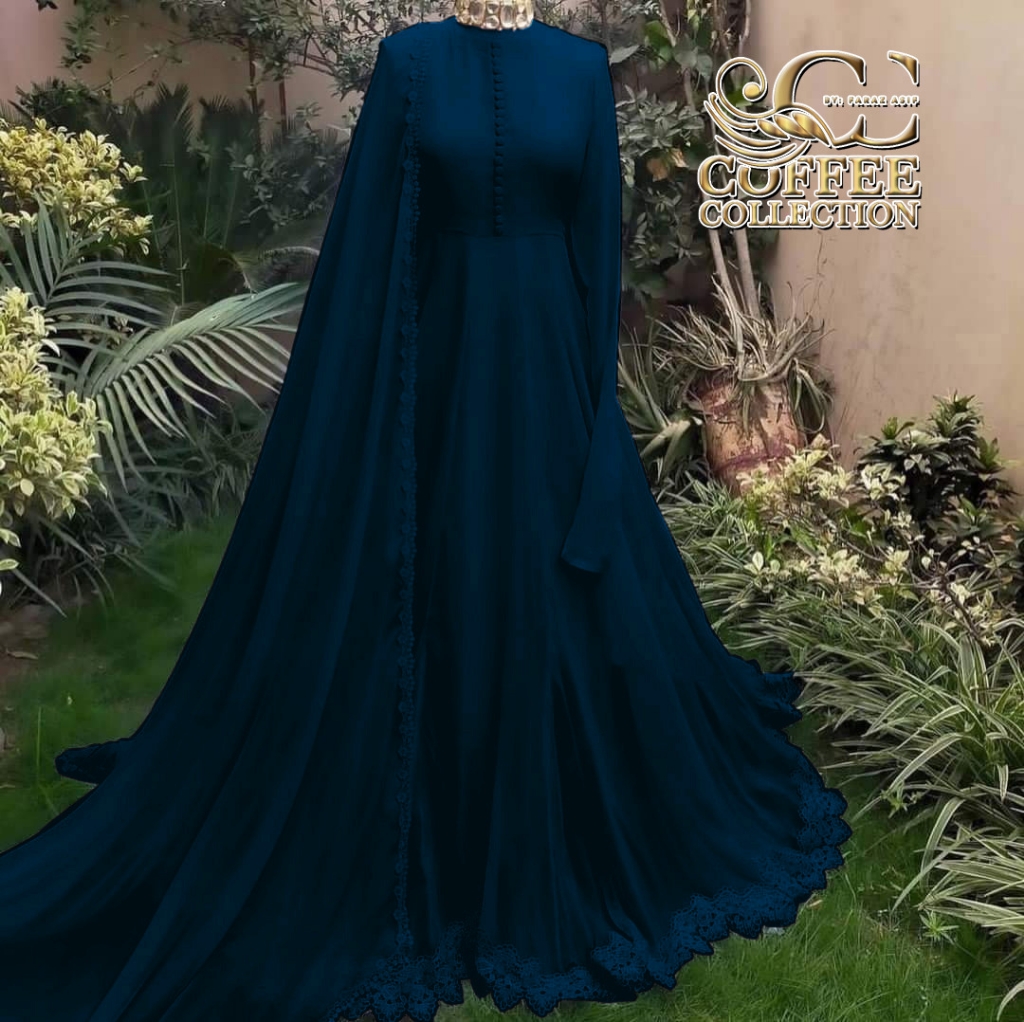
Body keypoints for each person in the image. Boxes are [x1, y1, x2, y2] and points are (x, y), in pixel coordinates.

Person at [0, 3, 852, 1020]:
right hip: (433, 374)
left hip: (542, 372)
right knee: (428, 575)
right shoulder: (409, 63)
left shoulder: (581, 71)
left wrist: (592, 416)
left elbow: (596, 252)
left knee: (552, 581)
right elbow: (371, 244)